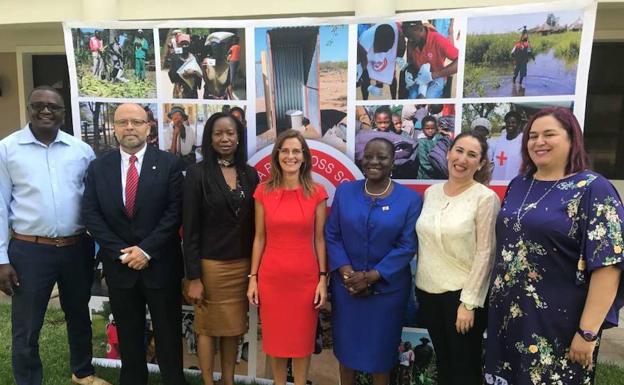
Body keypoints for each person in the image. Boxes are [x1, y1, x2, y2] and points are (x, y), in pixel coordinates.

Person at [485, 107, 624, 385]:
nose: (538, 142)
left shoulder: (593, 189)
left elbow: (608, 266)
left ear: (572, 139)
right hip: (507, 318)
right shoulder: (519, 184)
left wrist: (588, 332)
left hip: (558, 325)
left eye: (549, 134)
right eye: (532, 136)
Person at [0, 86, 110, 385]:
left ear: (63, 113)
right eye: (39, 105)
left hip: (77, 247)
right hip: (29, 249)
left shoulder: (80, 150)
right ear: (29, 108)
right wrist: (1, 259)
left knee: (78, 314)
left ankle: (83, 372)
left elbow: (94, 200)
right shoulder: (7, 149)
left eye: (53, 107)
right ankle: (28, 380)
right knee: (27, 323)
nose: (46, 111)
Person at [82, 103, 187, 385]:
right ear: (114, 127)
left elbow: (174, 212)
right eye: (122, 122)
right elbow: (91, 214)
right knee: (128, 336)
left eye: (136, 121)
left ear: (148, 126)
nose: (129, 127)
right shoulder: (98, 167)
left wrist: (146, 250)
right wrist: (122, 253)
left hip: (161, 267)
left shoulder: (169, 164)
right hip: (120, 268)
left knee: (167, 335)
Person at [325, 137, 422, 385]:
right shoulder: (346, 191)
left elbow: (407, 245)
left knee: (382, 355)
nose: (374, 161)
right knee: (347, 352)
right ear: (361, 159)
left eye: (382, 157)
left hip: (386, 293)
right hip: (347, 291)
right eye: (369, 156)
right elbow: (332, 234)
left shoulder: (410, 200)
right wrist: (348, 275)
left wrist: (371, 277)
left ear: (393, 162)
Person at [415, 131, 500, 385]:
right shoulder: (431, 192)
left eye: (472, 155)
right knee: (443, 362)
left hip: (462, 298)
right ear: (449, 153)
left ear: (481, 163)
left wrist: (469, 303)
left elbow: (487, 253)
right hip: (428, 293)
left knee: (465, 368)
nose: (462, 159)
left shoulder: (485, 198)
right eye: (459, 150)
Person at [247, 130, 328, 385]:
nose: (290, 156)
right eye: (285, 150)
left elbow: (320, 239)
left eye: (296, 151)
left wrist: (322, 279)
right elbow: (259, 237)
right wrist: (253, 278)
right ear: (277, 155)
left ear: (304, 157)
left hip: (305, 280)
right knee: (276, 342)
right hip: (272, 279)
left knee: (302, 343)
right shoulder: (262, 191)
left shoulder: (317, 192)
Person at [183, 112, 259, 385]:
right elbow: (189, 229)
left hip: (241, 265)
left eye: (231, 133)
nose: (225, 138)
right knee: (207, 328)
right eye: (218, 133)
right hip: (210, 266)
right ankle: (207, 381)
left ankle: (228, 380)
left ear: (239, 138)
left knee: (233, 329)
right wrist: (193, 277)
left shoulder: (250, 175)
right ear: (209, 138)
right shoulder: (196, 174)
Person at [404, 21, 458, 99]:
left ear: (420, 30)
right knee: (412, 98)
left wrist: (433, 75)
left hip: (437, 76)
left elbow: (460, 62)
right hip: (420, 76)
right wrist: (409, 73)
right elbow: (410, 62)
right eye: (408, 37)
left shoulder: (438, 40)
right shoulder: (411, 42)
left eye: (411, 37)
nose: (410, 40)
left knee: (429, 98)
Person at [357, 23, 405, 100]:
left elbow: (401, 48)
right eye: (380, 50)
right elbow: (362, 67)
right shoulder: (364, 41)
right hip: (367, 55)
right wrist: (368, 86)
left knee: (391, 74)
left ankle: (394, 99)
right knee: (365, 75)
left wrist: (398, 58)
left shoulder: (398, 34)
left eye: (386, 50)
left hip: (386, 45)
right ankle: (364, 100)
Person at [488, 110, 524, 181]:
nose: (510, 124)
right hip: (497, 181)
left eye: (513, 122)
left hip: (516, 180)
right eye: (508, 122)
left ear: (519, 124)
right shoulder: (498, 141)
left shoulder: (523, 140)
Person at [169, 33, 203, 98]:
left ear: (189, 45)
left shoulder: (195, 58)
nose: (184, 46)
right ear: (178, 45)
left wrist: (194, 73)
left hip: (192, 92)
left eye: (186, 44)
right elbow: (172, 78)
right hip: (179, 91)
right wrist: (183, 74)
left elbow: (200, 76)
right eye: (182, 44)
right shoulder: (175, 58)